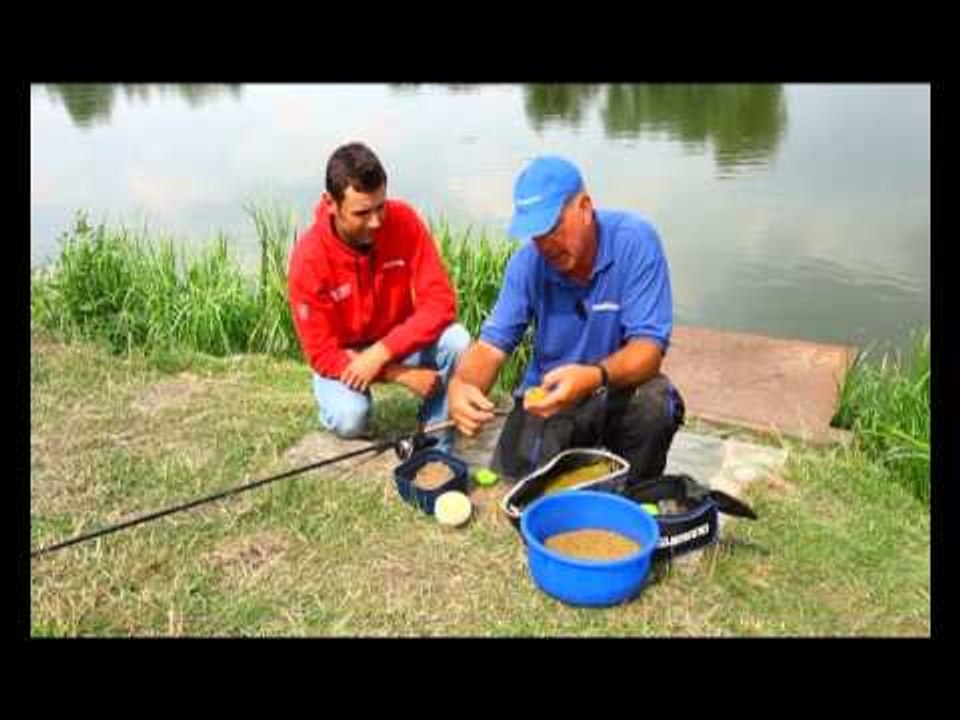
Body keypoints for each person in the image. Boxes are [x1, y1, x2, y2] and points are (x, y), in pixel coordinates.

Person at [447, 155, 685, 481]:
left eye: (552, 227)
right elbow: (491, 346)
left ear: (585, 208)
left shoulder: (636, 241)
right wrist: (463, 385)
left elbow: (649, 350)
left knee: (655, 405)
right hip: (549, 396)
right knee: (517, 484)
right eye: (535, 234)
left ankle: (631, 492)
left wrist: (593, 376)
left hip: (613, 388)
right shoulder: (526, 263)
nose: (545, 244)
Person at [288, 142, 470, 451]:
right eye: (362, 212)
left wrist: (383, 351)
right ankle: (333, 403)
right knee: (350, 418)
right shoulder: (308, 258)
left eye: (380, 206)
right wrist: (398, 373)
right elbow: (321, 352)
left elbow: (440, 302)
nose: (376, 222)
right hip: (345, 357)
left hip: (396, 340)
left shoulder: (403, 220)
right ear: (330, 203)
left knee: (458, 342)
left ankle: (435, 432)